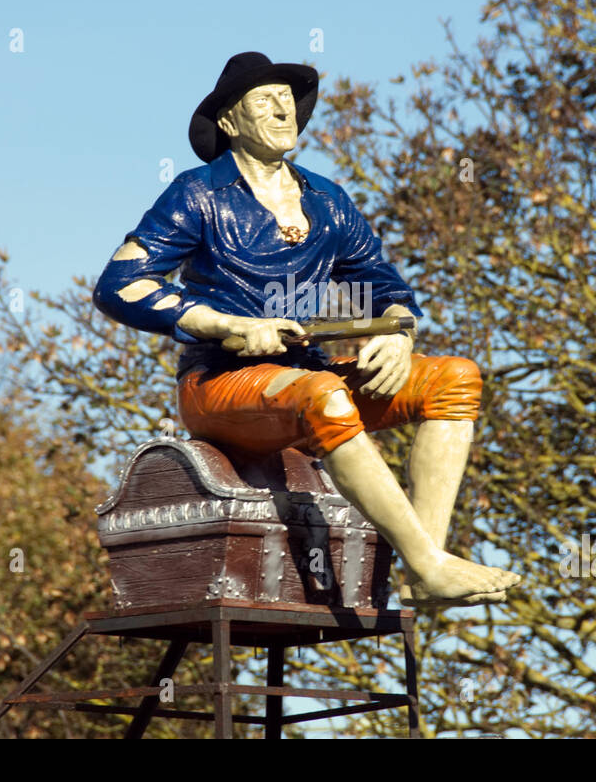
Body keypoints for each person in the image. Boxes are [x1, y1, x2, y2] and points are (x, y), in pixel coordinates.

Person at [93, 52, 520, 607]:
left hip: (307, 381)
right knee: (326, 397)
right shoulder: (197, 193)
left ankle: (425, 565)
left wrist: (397, 334)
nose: (282, 110)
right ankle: (425, 562)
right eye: (263, 101)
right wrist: (227, 325)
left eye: (286, 99)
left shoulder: (328, 199)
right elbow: (120, 283)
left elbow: (385, 287)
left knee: (454, 378)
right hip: (220, 386)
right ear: (230, 122)